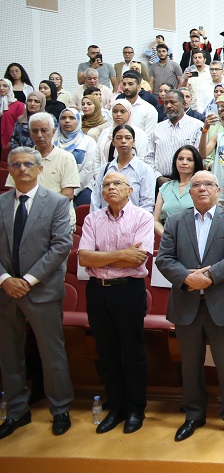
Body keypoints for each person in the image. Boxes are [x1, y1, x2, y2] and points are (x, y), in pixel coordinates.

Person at [156, 170, 224, 442]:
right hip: (186, 302)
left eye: (208, 184)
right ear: (189, 191)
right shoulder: (175, 221)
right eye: (196, 185)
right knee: (190, 363)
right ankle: (194, 414)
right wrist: (187, 278)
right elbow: (164, 259)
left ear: (217, 189)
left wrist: (208, 277)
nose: (201, 189)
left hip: (222, 303)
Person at [0, 147, 75, 439]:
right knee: (8, 354)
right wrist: (6, 278)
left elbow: (60, 246)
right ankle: (17, 411)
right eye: (16, 165)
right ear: (9, 170)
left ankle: (60, 409)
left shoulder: (56, 202)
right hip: (5, 290)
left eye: (28, 164)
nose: (22, 169)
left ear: (40, 169)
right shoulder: (2, 202)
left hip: (41, 289)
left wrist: (28, 280)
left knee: (51, 352)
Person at [77, 171, 155, 434]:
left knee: (133, 352)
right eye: (106, 184)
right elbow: (84, 258)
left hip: (128, 290)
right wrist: (121, 254)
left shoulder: (142, 217)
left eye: (117, 183)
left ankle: (135, 409)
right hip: (97, 292)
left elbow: (138, 259)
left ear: (130, 190)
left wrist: (102, 256)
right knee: (107, 353)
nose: (110, 187)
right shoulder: (92, 219)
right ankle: (116, 407)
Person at [91, 124, 155, 212]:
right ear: (113, 142)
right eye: (119, 138)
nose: (123, 141)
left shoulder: (144, 169)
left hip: (134, 222)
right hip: (104, 222)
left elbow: (147, 203)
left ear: (134, 141)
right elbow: (96, 200)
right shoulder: (105, 169)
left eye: (128, 138)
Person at [153, 91, 204, 185]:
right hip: (159, 182)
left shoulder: (197, 126)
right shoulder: (157, 128)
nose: (168, 106)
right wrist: (158, 177)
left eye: (173, 102)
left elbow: (199, 157)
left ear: (183, 104)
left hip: (187, 182)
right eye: (166, 103)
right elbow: (149, 156)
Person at [153, 144, 204, 235]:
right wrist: (167, 236)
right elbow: (156, 220)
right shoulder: (165, 188)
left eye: (189, 160)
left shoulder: (202, 187)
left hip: (195, 239)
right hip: (169, 241)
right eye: (180, 159)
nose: (184, 162)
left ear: (196, 163)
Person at [56, 107, 99, 208]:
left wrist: (71, 190)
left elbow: (88, 170)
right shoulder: (53, 141)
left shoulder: (88, 141)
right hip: (56, 184)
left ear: (78, 120)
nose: (67, 121)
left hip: (81, 187)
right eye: (63, 118)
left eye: (71, 118)